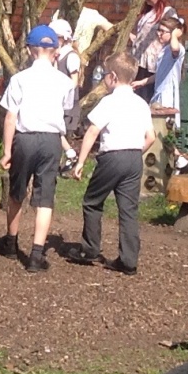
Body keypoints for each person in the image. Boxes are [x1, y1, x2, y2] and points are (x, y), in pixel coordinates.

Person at [0, 24, 75, 271]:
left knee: (17, 191)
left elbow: (11, 117)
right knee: (45, 198)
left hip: (25, 138)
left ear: (31, 50)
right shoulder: (64, 82)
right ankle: (35, 254)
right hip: (52, 141)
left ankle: (11, 243)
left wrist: (7, 150)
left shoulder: (19, 79)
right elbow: (65, 111)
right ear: (55, 50)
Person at [67, 55, 151, 274]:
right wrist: (133, 151)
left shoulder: (109, 101)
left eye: (105, 74)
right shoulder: (141, 103)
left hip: (112, 157)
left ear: (113, 77)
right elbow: (151, 137)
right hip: (134, 157)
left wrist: (81, 161)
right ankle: (129, 261)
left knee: (92, 201)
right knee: (129, 210)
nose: (104, 78)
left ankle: (90, 249)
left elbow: (92, 131)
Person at [146, 10, 188, 175]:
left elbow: (175, 48)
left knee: (162, 131)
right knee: (160, 132)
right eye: (158, 30)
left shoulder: (177, 49)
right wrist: (143, 81)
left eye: (162, 31)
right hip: (159, 93)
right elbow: (160, 73)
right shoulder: (164, 50)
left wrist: (175, 35)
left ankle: (179, 162)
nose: (159, 34)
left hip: (167, 96)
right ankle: (179, 162)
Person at [128, 0, 170, 64]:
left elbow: (173, 33)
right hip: (138, 59)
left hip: (153, 62)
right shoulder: (148, 12)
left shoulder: (168, 12)